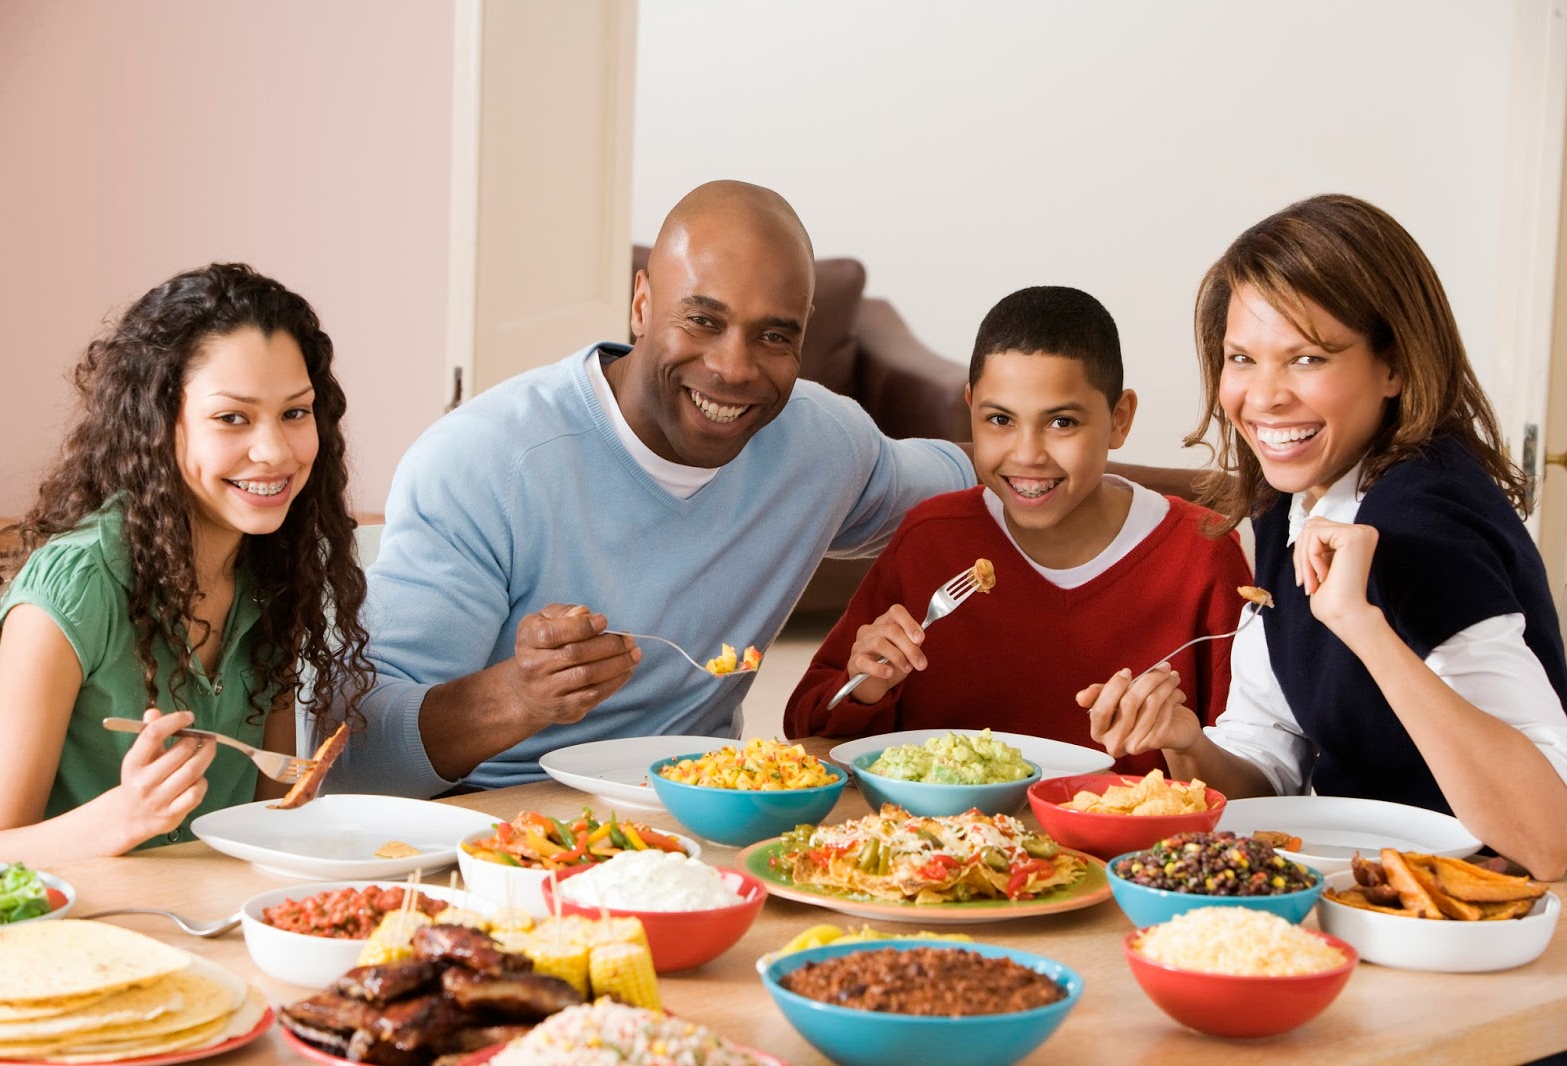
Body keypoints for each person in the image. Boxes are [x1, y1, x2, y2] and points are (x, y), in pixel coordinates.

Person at [328, 180, 975, 797]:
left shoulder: (822, 445)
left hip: (708, 820)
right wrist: (516, 698)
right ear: (641, 304)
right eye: (702, 321)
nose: (733, 368)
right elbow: (353, 758)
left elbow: (1007, 477)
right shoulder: (485, 463)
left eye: (774, 336)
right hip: (497, 828)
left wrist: (1064, 433)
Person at [1083, 194, 1567, 880]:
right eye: (1242, 358)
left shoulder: (1425, 521)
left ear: (1393, 366)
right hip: (1363, 892)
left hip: (1477, 913)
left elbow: (1550, 837)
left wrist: (1362, 626)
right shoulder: (1295, 495)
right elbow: (1271, 759)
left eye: (1308, 359)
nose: (1264, 396)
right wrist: (1187, 746)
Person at [0, 264, 371, 865]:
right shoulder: (76, 586)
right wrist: (123, 819)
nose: (276, 452)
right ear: (158, 426)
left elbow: (270, 816)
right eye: (232, 417)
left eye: (295, 412)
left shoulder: (276, 567)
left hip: (215, 924)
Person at [783, 286, 1251, 774]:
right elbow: (806, 730)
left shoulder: (1203, 554)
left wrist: (1185, 744)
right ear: (971, 409)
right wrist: (867, 684)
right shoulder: (931, 539)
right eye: (1000, 419)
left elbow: (1254, 784)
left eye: (1062, 422)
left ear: (1119, 419)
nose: (1027, 454)